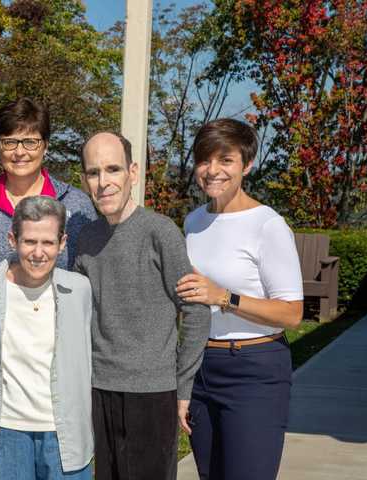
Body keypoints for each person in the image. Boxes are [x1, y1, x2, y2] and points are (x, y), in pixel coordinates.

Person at [74, 132, 211, 480]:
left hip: (152, 394)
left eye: (113, 169)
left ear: (133, 173)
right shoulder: (86, 239)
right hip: (97, 390)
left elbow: (195, 309)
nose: (103, 182)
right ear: (84, 180)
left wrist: (183, 386)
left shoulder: (160, 232)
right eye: (93, 173)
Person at [176, 118, 304, 480]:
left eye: (225, 160)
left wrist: (225, 296)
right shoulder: (193, 222)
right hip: (202, 367)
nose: (212, 170)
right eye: (204, 160)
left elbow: (292, 314)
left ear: (247, 165)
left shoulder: (267, 225)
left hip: (254, 371)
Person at [0, 195, 94, 480]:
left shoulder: (79, 289)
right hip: (6, 429)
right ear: (12, 239)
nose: (38, 252)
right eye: (29, 241)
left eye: (48, 242)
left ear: (63, 242)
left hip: (63, 428)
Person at [0, 97, 97, 269]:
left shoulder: (76, 204)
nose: (19, 152)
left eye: (30, 142)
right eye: (9, 142)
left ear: (45, 146)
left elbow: (92, 271)